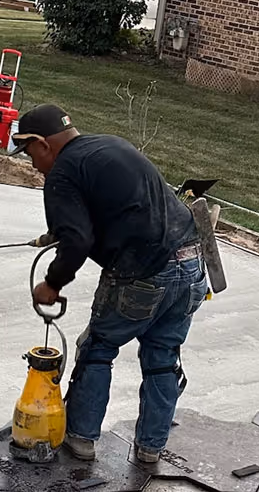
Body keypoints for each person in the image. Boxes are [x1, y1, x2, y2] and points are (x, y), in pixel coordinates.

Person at [13, 103, 208, 465]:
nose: (33, 165)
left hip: (143, 271)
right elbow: (124, 207)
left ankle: (81, 439)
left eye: (30, 153)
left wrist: (52, 284)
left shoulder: (63, 173)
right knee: (162, 357)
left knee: (98, 347)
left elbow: (78, 241)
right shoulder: (111, 145)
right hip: (192, 265)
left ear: (43, 143)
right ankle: (151, 449)